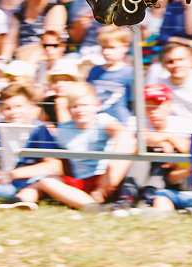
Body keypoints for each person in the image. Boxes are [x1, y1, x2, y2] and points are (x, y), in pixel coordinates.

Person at [20, 82, 133, 210]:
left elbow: (123, 134)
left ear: (96, 106)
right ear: (69, 109)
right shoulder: (63, 130)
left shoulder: (103, 121)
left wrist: (111, 167)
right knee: (45, 181)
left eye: (85, 105)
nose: (80, 110)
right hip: (80, 181)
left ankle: (96, 200)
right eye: (75, 106)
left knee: (121, 157)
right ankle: (20, 200)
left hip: (106, 179)